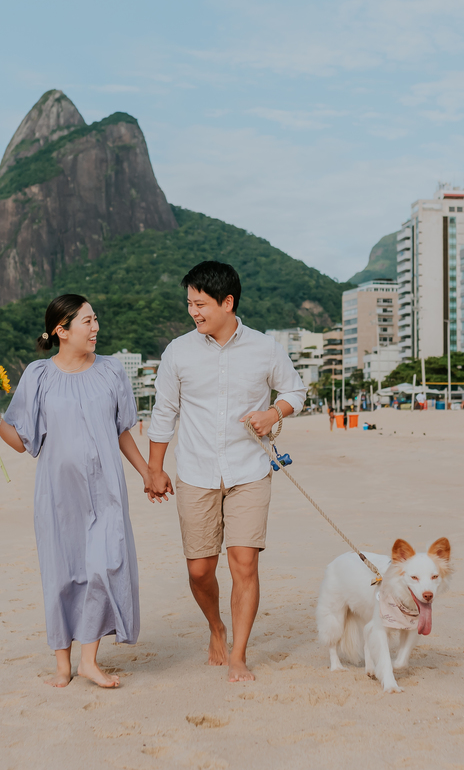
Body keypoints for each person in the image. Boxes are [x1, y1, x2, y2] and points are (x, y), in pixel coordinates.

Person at [0, 294, 151, 690]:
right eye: (88, 321)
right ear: (61, 330)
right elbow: (22, 440)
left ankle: (88, 659)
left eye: (96, 319)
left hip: (106, 490)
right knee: (61, 573)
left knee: (106, 565)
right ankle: (62, 662)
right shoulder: (38, 375)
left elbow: (122, 430)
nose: (96, 328)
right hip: (58, 495)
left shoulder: (111, 372)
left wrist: (147, 472)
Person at [147, 261, 307, 683]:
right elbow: (164, 412)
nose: (193, 312)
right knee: (199, 570)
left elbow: (295, 389)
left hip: (249, 470)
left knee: (244, 563)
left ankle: (238, 653)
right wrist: (154, 469)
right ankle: (215, 626)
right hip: (195, 472)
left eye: (200, 304)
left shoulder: (264, 348)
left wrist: (273, 412)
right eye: (189, 304)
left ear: (227, 302)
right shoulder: (177, 352)